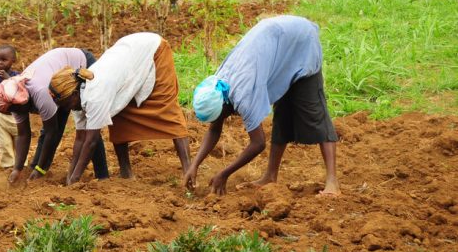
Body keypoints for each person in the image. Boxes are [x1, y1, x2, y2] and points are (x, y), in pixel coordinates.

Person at [183, 15, 340, 196]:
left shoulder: (243, 94)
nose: (217, 121)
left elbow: (258, 143)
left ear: (224, 107)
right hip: (276, 45)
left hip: (300, 41)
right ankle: (270, 176)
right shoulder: (218, 87)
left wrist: (224, 174)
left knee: (315, 112)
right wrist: (193, 165)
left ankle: (332, 183)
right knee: (282, 114)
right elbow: (214, 130)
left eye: (217, 117)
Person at [48, 33, 190, 185]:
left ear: (74, 94)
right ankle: (126, 173)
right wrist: (70, 176)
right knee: (119, 116)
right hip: (127, 53)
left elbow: (91, 142)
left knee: (166, 108)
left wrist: (75, 180)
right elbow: (80, 138)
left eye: (63, 104)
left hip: (152, 49)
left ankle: (189, 172)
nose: (63, 109)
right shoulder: (78, 95)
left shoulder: (95, 95)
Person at [0, 48, 109, 184]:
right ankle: (34, 170)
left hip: (79, 65)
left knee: (89, 123)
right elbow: (23, 134)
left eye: (13, 110)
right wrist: (17, 169)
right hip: (55, 80)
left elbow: (51, 133)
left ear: (22, 102)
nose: (14, 113)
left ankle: (102, 176)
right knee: (54, 126)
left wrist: (40, 168)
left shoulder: (40, 93)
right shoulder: (14, 97)